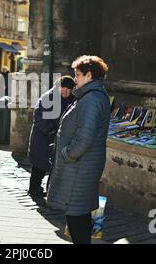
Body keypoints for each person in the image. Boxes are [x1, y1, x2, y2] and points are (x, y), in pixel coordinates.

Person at [46, 55, 110, 244]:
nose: (75, 78)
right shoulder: (90, 95)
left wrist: (67, 153)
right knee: (78, 216)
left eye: (78, 74)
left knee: (77, 218)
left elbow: (85, 137)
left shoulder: (91, 99)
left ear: (89, 75)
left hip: (79, 167)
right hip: (80, 166)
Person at [27, 76, 76, 198]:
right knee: (39, 165)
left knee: (51, 165)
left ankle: (47, 190)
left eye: (68, 89)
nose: (65, 91)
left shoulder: (73, 99)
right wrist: (51, 130)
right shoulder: (48, 97)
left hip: (57, 138)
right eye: (63, 88)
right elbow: (38, 115)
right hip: (43, 137)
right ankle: (34, 189)